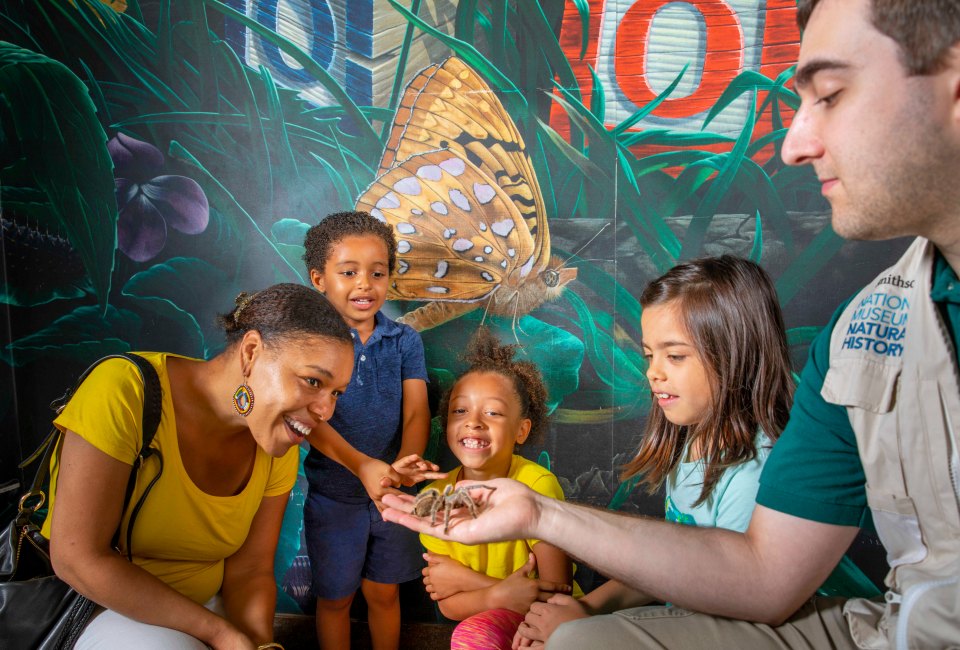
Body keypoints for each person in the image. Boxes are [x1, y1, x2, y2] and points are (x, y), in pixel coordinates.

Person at [381, 0, 960, 647]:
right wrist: (539, 514)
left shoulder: (762, 447)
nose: (798, 144)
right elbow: (764, 575)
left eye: (831, 94)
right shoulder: (862, 332)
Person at [45, 283, 355, 649]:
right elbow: (76, 557)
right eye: (313, 381)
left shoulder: (277, 441)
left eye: (335, 393)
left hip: (208, 612)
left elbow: (251, 570)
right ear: (252, 351)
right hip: (101, 609)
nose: (326, 411)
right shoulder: (123, 390)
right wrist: (219, 634)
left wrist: (257, 643)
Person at [514, 256, 794, 647]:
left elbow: (737, 620)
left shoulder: (754, 473)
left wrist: (585, 628)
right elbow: (669, 566)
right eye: (649, 355)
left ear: (734, 352)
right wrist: (588, 608)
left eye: (675, 356)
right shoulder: (693, 441)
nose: (653, 372)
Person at [301, 211, 440, 650]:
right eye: (349, 272)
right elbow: (309, 422)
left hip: (394, 496)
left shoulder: (404, 342)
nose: (365, 284)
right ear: (319, 279)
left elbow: (417, 411)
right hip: (333, 499)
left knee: (384, 593)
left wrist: (404, 466)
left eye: (377, 273)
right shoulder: (310, 345)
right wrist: (362, 465)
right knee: (336, 600)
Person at [418, 328, 577, 650]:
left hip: (553, 621)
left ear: (521, 430)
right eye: (460, 411)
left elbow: (556, 592)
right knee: (471, 636)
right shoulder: (434, 500)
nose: (473, 422)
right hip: (486, 620)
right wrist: (497, 595)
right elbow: (447, 603)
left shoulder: (537, 485)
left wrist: (473, 584)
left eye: (492, 412)